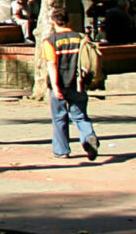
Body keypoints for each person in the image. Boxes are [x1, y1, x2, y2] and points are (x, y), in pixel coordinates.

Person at [40, 16, 101, 160]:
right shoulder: (81, 38)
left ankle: (62, 150)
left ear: (54, 22)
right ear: (68, 21)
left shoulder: (50, 41)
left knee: (59, 117)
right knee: (80, 116)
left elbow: (51, 65)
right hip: (78, 83)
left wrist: (55, 86)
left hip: (60, 83)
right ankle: (88, 137)